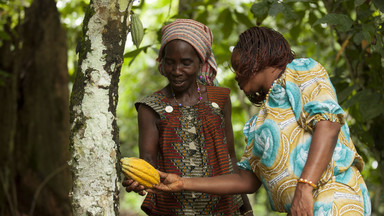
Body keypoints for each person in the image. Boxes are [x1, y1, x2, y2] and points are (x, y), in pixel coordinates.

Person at [150, 26, 372, 216]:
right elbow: (246, 180)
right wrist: (182, 182)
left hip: (335, 199)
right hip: (302, 208)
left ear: (255, 55)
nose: (236, 75)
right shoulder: (258, 123)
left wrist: (305, 187)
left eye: (237, 66)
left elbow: (328, 124)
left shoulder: (301, 71)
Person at [122, 19, 253, 215]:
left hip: (224, 207)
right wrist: (139, 178)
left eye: (186, 63)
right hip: (172, 208)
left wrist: (246, 207)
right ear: (162, 62)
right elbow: (148, 159)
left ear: (201, 62)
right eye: (169, 62)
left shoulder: (220, 98)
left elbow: (230, 156)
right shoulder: (150, 107)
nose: (176, 71)